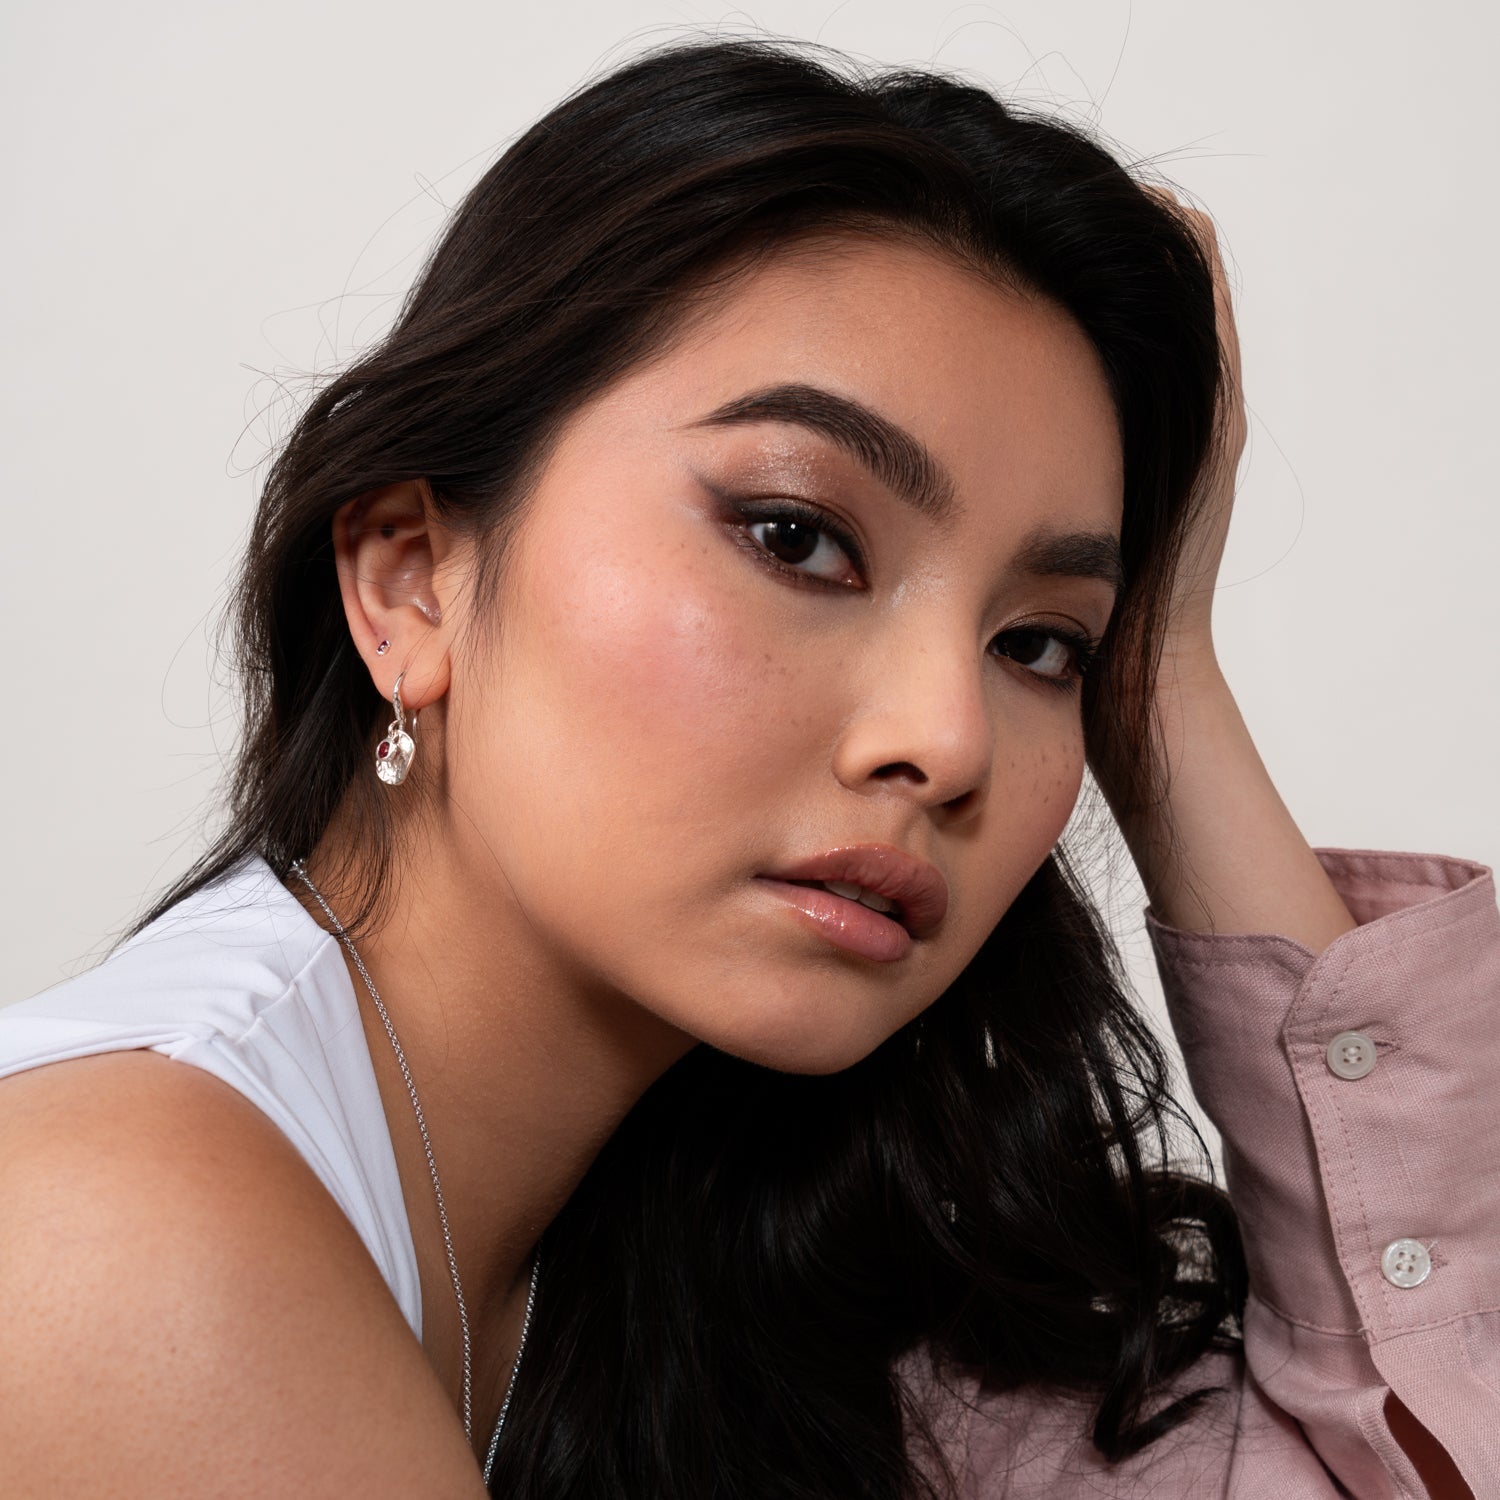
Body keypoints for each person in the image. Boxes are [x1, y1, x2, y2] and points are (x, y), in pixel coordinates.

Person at [0, 34, 1490, 1500]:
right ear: (410, 580)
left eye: (1040, 645)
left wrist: (1164, 676)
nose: (949, 741)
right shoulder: (122, 1232)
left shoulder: (724, 1262)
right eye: (798, 537)